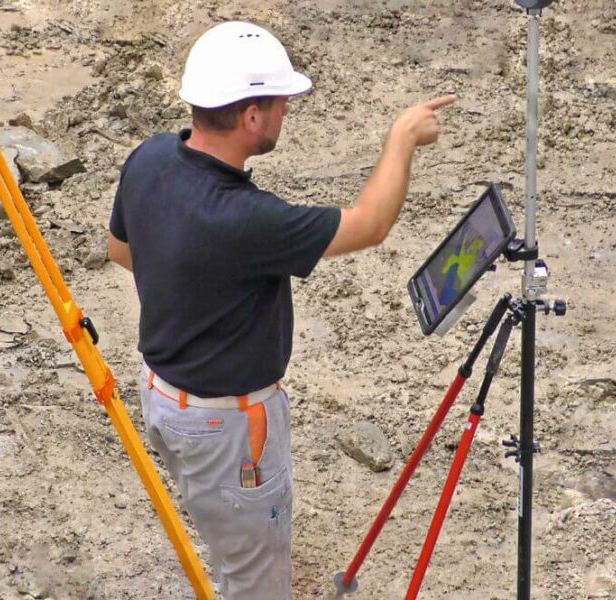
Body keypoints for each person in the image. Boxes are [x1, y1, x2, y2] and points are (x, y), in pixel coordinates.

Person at [106, 20, 456, 599]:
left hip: (163, 399)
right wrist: (400, 140)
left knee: (220, 528)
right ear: (249, 117)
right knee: (255, 584)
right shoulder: (245, 218)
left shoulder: (148, 159)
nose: (286, 112)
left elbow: (122, 250)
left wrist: (195, 286)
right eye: (280, 104)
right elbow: (370, 225)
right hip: (227, 430)